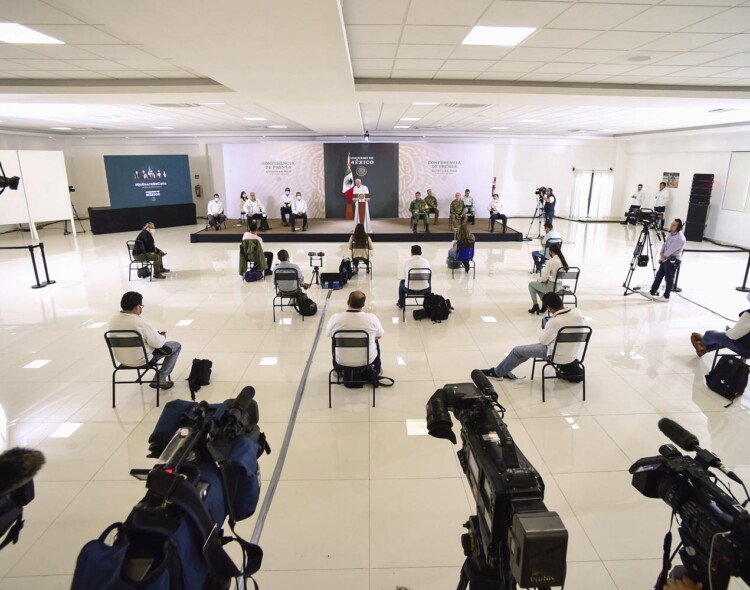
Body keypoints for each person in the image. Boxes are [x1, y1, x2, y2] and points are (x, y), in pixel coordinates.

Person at [482, 292, 586, 380]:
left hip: (555, 355)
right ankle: (501, 370)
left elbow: (543, 341)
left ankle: (497, 373)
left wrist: (547, 328)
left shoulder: (555, 322)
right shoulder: (578, 312)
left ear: (550, 308)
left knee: (517, 351)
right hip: (572, 354)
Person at [109, 291, 181, 390]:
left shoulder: (113, 319)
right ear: (137, 307)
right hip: (143, 360)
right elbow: (158, 344)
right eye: (141, 307)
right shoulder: (139, 323)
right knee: (176, 346)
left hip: (122, 360)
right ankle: (160, 378)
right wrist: (163, 336)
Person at [326, 290, 384, 374]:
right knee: (375, 339)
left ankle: (338, 370)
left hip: (342, 361)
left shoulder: (335, 318)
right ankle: (377, 369)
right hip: (367, 360)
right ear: (363, 305)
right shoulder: (372, 318)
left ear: (348, 302)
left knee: (335, 338)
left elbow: (329, 334)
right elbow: (379, 335)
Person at [640, 218, 686, 303]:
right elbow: (665, 245)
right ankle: (652, 292)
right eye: (671, 224)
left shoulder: (680, 238)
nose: (671, 226)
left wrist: (662, 257)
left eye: (674, 225)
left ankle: (666, 297)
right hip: (666, 259)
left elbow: (670, 251)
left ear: (679, 227)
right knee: (659, 275)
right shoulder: (672, 234)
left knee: (669, 278)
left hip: (673, 260)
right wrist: (661, 252)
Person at [691, 293, 750, 358]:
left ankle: (702, 344)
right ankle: (705, 349)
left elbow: (733, 336)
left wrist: (730, 331)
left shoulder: (748, 314)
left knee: (709, 334)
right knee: (726, 338)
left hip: (744, 349)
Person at [528, 243, 567, 314]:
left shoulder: (551, 261)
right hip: (559, 286)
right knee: (540, 285)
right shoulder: (563, 260)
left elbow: (545, 276)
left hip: (551, 287)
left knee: (531, 284)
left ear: (551, 251)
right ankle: (545, 303)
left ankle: (535, 305)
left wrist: (539, 280)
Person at [397, 244, 431, 309]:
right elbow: (429, 275)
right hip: (424, 289)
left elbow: (404, 277)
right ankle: (427, 304)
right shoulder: (426, 262)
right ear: (421, 253)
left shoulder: (407, 262)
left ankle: (401, 303)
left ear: (411, 253)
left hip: (409, 289)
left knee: (401, 282)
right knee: (429, 283)